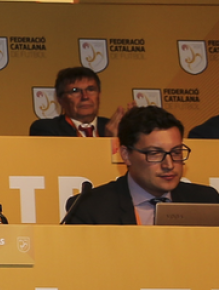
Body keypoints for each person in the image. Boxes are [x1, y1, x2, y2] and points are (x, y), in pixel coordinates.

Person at [65, 105, 219, 225]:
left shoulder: (206, 200)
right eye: (155, 153)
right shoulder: (90, 209)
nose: (169, 164)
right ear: (126, 155)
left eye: (176, 152)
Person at [29, 66, 129, 137]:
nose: (85, 96)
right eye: (75, 91)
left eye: (91, 89)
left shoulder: (114, 128)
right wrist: (109, 143)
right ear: (60, 99)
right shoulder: (47, 129)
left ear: (99, 95)